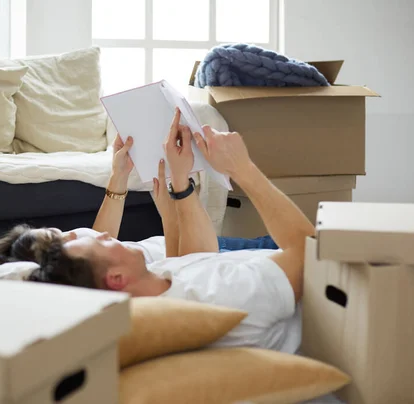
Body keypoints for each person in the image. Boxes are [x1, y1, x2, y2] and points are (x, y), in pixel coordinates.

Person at [29, 108, 315, 354]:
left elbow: (196, 259)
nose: (103, 235)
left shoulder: (158, 288)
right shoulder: (215, 297)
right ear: (116, 278)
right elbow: (310, 256)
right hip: (327, 287)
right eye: (100, 243)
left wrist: (178, 188)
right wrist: (241, 168)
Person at [0, 133, 277, 265]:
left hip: (203, 247)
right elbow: (190, 267)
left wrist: (119, 174)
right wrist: (177, 200)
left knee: (307, 246)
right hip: (210, 251)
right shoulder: (101, 272)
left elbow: (99, 235)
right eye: (63, 236)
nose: (74, 232)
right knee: (307, 250)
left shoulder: (93, 251)